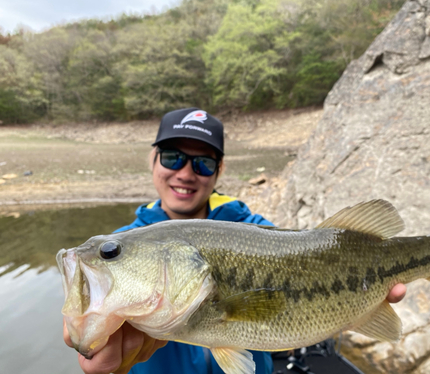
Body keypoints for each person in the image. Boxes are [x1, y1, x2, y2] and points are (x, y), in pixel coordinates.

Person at [63, 107, 407, 374]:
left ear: (220, 169)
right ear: (152, 159)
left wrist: (358, 305)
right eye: (172, 157)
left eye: (203, 163)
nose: (185, 172)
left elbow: (307, 261)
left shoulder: (258, 230)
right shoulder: (129, 241)